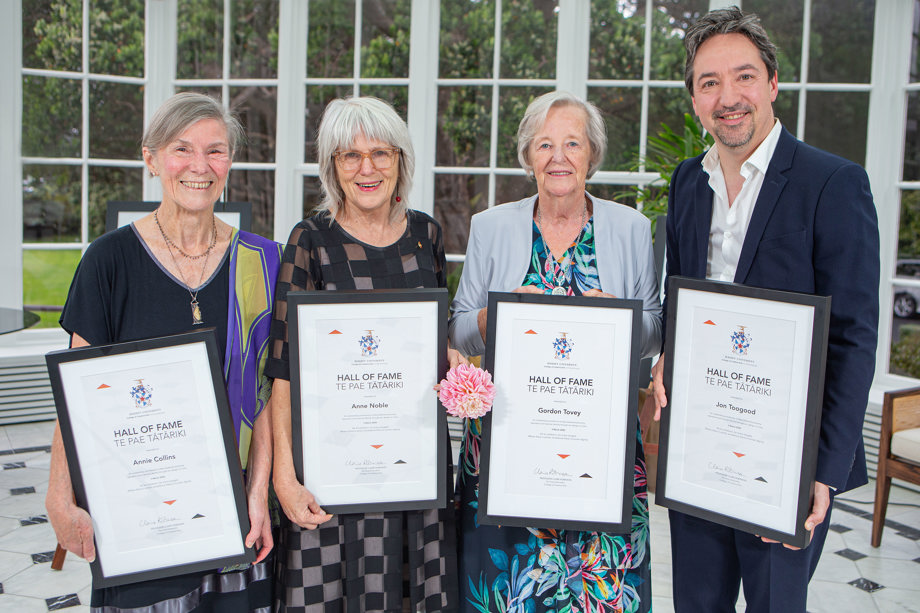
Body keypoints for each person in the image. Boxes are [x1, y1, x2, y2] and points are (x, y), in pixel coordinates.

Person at [649, 7, 880, 612]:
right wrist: (670, 352)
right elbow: (684, 296)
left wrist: (822, 472)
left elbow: (853, 337)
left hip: (788, 462)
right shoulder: (685, 183)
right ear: (695, 100)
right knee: (697, 603)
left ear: (773, 84)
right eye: (709, 82)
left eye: (744, 76)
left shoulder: (833, 183)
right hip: (699, 446)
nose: (729, 96)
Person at [45, 92, 282, 610]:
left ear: (230, 162)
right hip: (135, 513)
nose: (200, 166)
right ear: (150, 159)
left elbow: (265, 396)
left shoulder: (261, 263)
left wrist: (258, 494)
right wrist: (59, 499)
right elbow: (75, 395)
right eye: (182, 149)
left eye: (215, 150)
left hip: (229, 512)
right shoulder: (108, 261)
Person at [449, 91, 662, 612]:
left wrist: (622, 316)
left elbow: (656, 331)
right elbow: (459, 330)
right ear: (527, 157)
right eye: (545, 144)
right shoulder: (492, 227)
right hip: (508, 446)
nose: (559, 156)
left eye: (573, 143)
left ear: (592, 154)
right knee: (506, 589)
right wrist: (496, 314)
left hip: (599, 444)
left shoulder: (631, 229)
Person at [266, 96, 461, 612]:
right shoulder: (310, 241)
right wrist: (284, 477)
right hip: (331, 473)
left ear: (401, 161)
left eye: (381, 153)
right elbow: (282, 370)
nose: (367, 168)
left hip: (412, 466)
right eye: (350, 156)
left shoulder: (427, 236)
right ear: (332, 166)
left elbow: (433, 339)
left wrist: (452, 359)